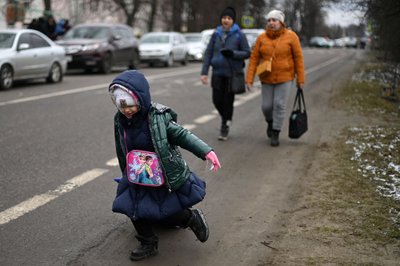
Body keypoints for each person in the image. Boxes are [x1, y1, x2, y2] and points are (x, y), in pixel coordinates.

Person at [108, 70, 221, 261]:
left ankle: (191, 218)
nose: (127, 110)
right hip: (135, 174)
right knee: (133, 208)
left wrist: (205, 151)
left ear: (141, 99)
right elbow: (122, 148)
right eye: (121, 106)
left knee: (167, 210)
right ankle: (147, 242)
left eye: (130, 105)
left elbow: (183, 135)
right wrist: (125, 171)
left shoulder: (157, 118)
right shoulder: (120, 121)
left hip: (159, 174)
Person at [246, 9, 305, 147]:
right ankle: (270, 122)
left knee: (279, 105)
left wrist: (300, 79)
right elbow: (254, 59)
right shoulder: (261, 38)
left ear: (281, 22)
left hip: (285, 77)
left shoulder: (291, 37)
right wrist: (249, 79)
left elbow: (298, 58)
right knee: (266, 107)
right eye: (269, 20)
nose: (271, 23)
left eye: (274, 20)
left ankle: (276, 132)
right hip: (266, 78)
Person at [201, 6, 250, 141]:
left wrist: (233, 53)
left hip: (231, 74)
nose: (226, 20)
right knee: (216, 100)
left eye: (229, 18)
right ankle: (226, 118)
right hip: (217, 72)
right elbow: (208, 53)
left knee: (228, 101)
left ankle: (225, 126)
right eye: (224, 18)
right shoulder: (216, 34)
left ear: (233, 21)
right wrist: (204, 72)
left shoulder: (239, 34)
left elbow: (247, 52)